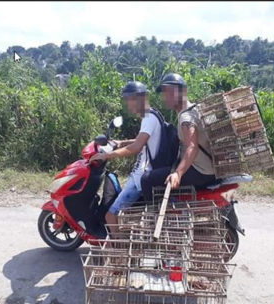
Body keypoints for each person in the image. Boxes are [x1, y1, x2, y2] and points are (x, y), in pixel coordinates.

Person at [89, 81, 161, 227]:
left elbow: (136, 147)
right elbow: (142, 140)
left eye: (130, 100)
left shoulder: (149, 118)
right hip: (140, 173)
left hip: (141, 176)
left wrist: (107, 155)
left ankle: (116, 248)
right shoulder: (151, 116)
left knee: (110, 216)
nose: (129, 104)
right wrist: (122, 142)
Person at [140, 73, 216, 201]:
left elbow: (192, 147)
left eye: (170, 92)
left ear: (182, 92)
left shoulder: (185, 118)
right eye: (164, 93)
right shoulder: (195, 108)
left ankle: (157, 216)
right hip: (208, 169)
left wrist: (178, 173)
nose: (165, 97)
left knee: (147, 179)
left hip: (201, 171)